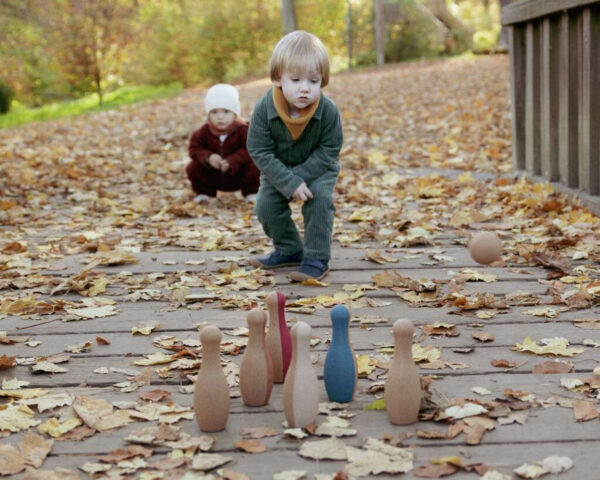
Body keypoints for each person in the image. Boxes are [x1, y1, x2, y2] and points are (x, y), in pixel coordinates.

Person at [247, 31, 343, 281]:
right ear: (278, 78)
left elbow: (329, 150)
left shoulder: (328, 111)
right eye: (296, 79)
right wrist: (288, 182)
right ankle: (289, 249)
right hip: (277, 169)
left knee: (319, 200)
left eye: (313, 81)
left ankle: (316, 257)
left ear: (322, 80)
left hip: (318, 169)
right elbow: (259, 149)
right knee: (266, 207)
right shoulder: (264, 109)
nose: (305, 88)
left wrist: (299, 178)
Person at [186, 83, 259, 203]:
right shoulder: (203, 132)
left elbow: (251, 149)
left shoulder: (243, 130)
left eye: (225, 112)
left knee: (256, 164)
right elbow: (194, 149)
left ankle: (252, 193)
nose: (220, 117)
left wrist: (234, 160)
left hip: (239, 174)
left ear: (235, 114)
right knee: (193, 167)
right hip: (214, 175)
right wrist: (208, 157)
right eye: (214, 112)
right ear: (208, 115)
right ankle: (205, 193)